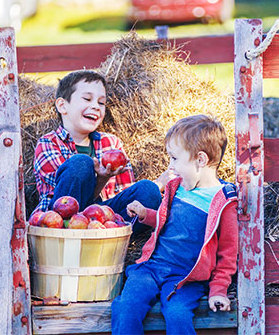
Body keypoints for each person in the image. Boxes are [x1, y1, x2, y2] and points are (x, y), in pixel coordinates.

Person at [111, 114, 237, 334]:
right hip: (152, 267)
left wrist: (218, 290)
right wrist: (144, 214)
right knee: (126, 305)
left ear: (200, 160)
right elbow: (165, 220)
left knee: (178, 314)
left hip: (186, 278)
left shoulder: (223, 201)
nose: (170, 166)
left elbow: (227, 254)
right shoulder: (176, 187)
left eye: (175, 158)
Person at [32, 69, 163, 234]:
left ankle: (112, 242)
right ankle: (71, 242)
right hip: (62, 222)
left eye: (101, 103)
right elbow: (65, 201)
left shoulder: (111, 143)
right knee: (81, 163)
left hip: (103, 220)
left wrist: (105, 180)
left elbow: (125, 194)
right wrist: (100, 180)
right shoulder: (48, 143)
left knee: (148, 190)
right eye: (87, 99)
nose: (95, 106)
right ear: (62, 105)